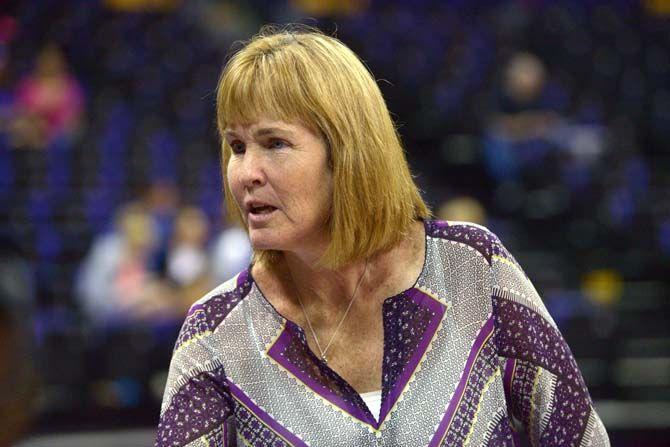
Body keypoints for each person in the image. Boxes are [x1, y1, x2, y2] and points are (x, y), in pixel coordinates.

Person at [156, 26, 610, 446]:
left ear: (349, 151)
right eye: (237, 146)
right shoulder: (216, 336)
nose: (246, 173)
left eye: (274, 143)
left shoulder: (472, 269)